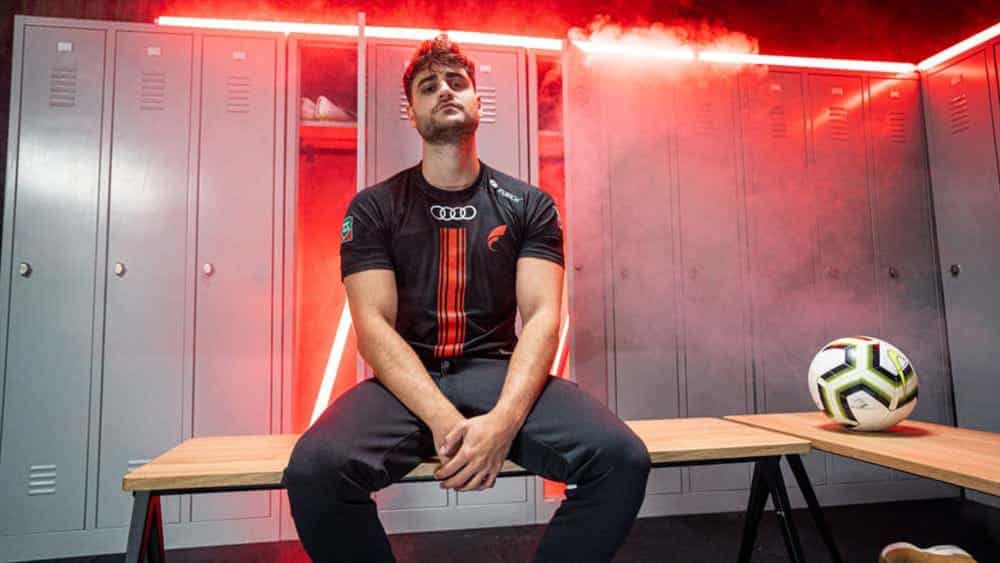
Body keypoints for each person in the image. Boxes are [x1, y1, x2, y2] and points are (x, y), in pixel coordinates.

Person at [282, 34, 651, 563]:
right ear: (411, 112)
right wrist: (444, 422)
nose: (445, 91)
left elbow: (543, 318)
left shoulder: (529, 205)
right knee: (314, 470)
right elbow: (373, 328)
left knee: (622, 459)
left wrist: (502, 425)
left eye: (457, 82)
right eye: (428, 86)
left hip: (495, 371)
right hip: (407, 379)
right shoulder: (374, 208)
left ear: (479, 101)